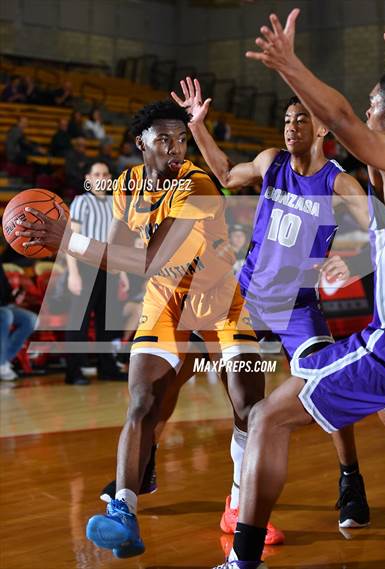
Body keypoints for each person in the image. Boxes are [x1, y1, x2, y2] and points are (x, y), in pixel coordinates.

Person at [208, 9, 385, 568]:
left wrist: (290, 64)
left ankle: (243, 559)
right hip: (260, 298)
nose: (365, 115)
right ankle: (350, 484)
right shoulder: (284, 164)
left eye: (377, 106)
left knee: (268, 418)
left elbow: (345, 118)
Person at [16, 100, 268, 557]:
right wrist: (76, 241)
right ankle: (124, 513)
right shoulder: (127, 185)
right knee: (143, 399)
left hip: (216, 300)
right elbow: (123, 252)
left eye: (181, 139)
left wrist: (68, 240)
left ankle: (237, 503)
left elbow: (150, 258)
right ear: (141, 144)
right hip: (165, 299)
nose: (175, 148)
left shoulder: (199, 184)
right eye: (164, 139)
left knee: (248, 405)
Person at [171, 78, 370, 531]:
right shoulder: (270, 163)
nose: (291, 126)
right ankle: (228, 496)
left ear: (322, 130)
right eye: (286, 119)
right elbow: (223, 175)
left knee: (326, 384)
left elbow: (380, 227)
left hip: (298, 305)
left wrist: (353, 261)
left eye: (302, 119)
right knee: (220, 387)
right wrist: (198, 125)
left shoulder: (337, 181)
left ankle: (350, 479)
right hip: (250, 298)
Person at [65, 161, 127, 384]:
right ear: (88, 179)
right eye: (96, 174)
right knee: (79, 321)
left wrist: (122, 273)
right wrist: (73, 273)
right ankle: (73, 372)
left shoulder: (114, 204)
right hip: (85, 266)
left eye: (105, 173)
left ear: (109, 178)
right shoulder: (82, 202)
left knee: (107, 322)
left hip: (108, 267)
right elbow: (71, 240)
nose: (101, 177)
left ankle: (107, 367)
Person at [0, 263, 37, 381]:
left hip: (4, 306)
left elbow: (5, 293)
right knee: (6, 315)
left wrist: (15, 296)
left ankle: (3, 360)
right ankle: (2, 364)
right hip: (4, 311)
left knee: (31, 319)